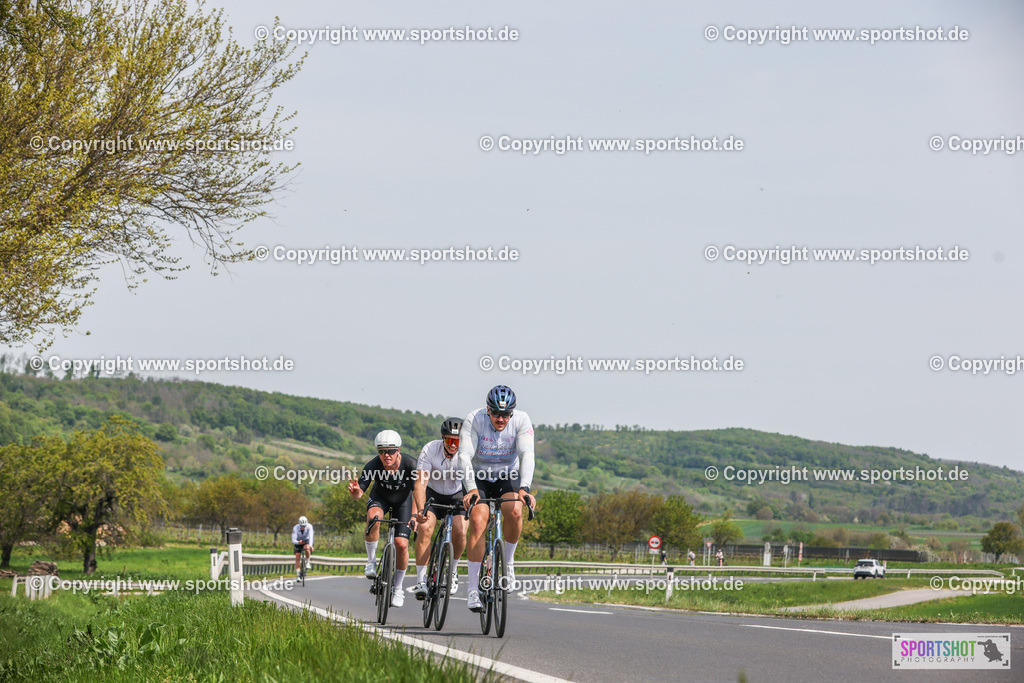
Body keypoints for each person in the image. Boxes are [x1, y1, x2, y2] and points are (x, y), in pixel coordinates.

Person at [458, 385, 536, 612]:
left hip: (507, 475)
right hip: (478, 476)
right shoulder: (474, 419)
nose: (500, 419)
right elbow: (464, 456)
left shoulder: (522, 420)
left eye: (505, 414)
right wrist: (471, 489)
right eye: (495, 413)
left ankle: (508, 564)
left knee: (514, 510)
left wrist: (524, 487)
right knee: (479, 520)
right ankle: (473, 590)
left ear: (512, 412)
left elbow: (527, 454)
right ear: (487, 409)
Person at [347, 429, 419, 608]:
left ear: (398, 451)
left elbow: (418, 492)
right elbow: (360, 492)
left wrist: (415, 515)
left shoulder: (411, 465)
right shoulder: (373, 465)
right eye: (381, 451)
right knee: (374, 518)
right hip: (381, 498)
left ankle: (398, 588)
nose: (386, 455)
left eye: (391, 451)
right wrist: (356, 492)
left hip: (404, 502)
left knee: (401, 544)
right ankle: (371, 561)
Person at [411, 418, 468, 599]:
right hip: (433, 493)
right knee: (426, 527)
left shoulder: (468, 453)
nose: (453, 445)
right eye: (450, 440)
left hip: (457, 494)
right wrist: (420, 510)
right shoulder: (430, 449)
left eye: (457, 441)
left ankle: (453, 569)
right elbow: (420, 483)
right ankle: (421, 580)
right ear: (442, 438)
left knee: (460, 531)